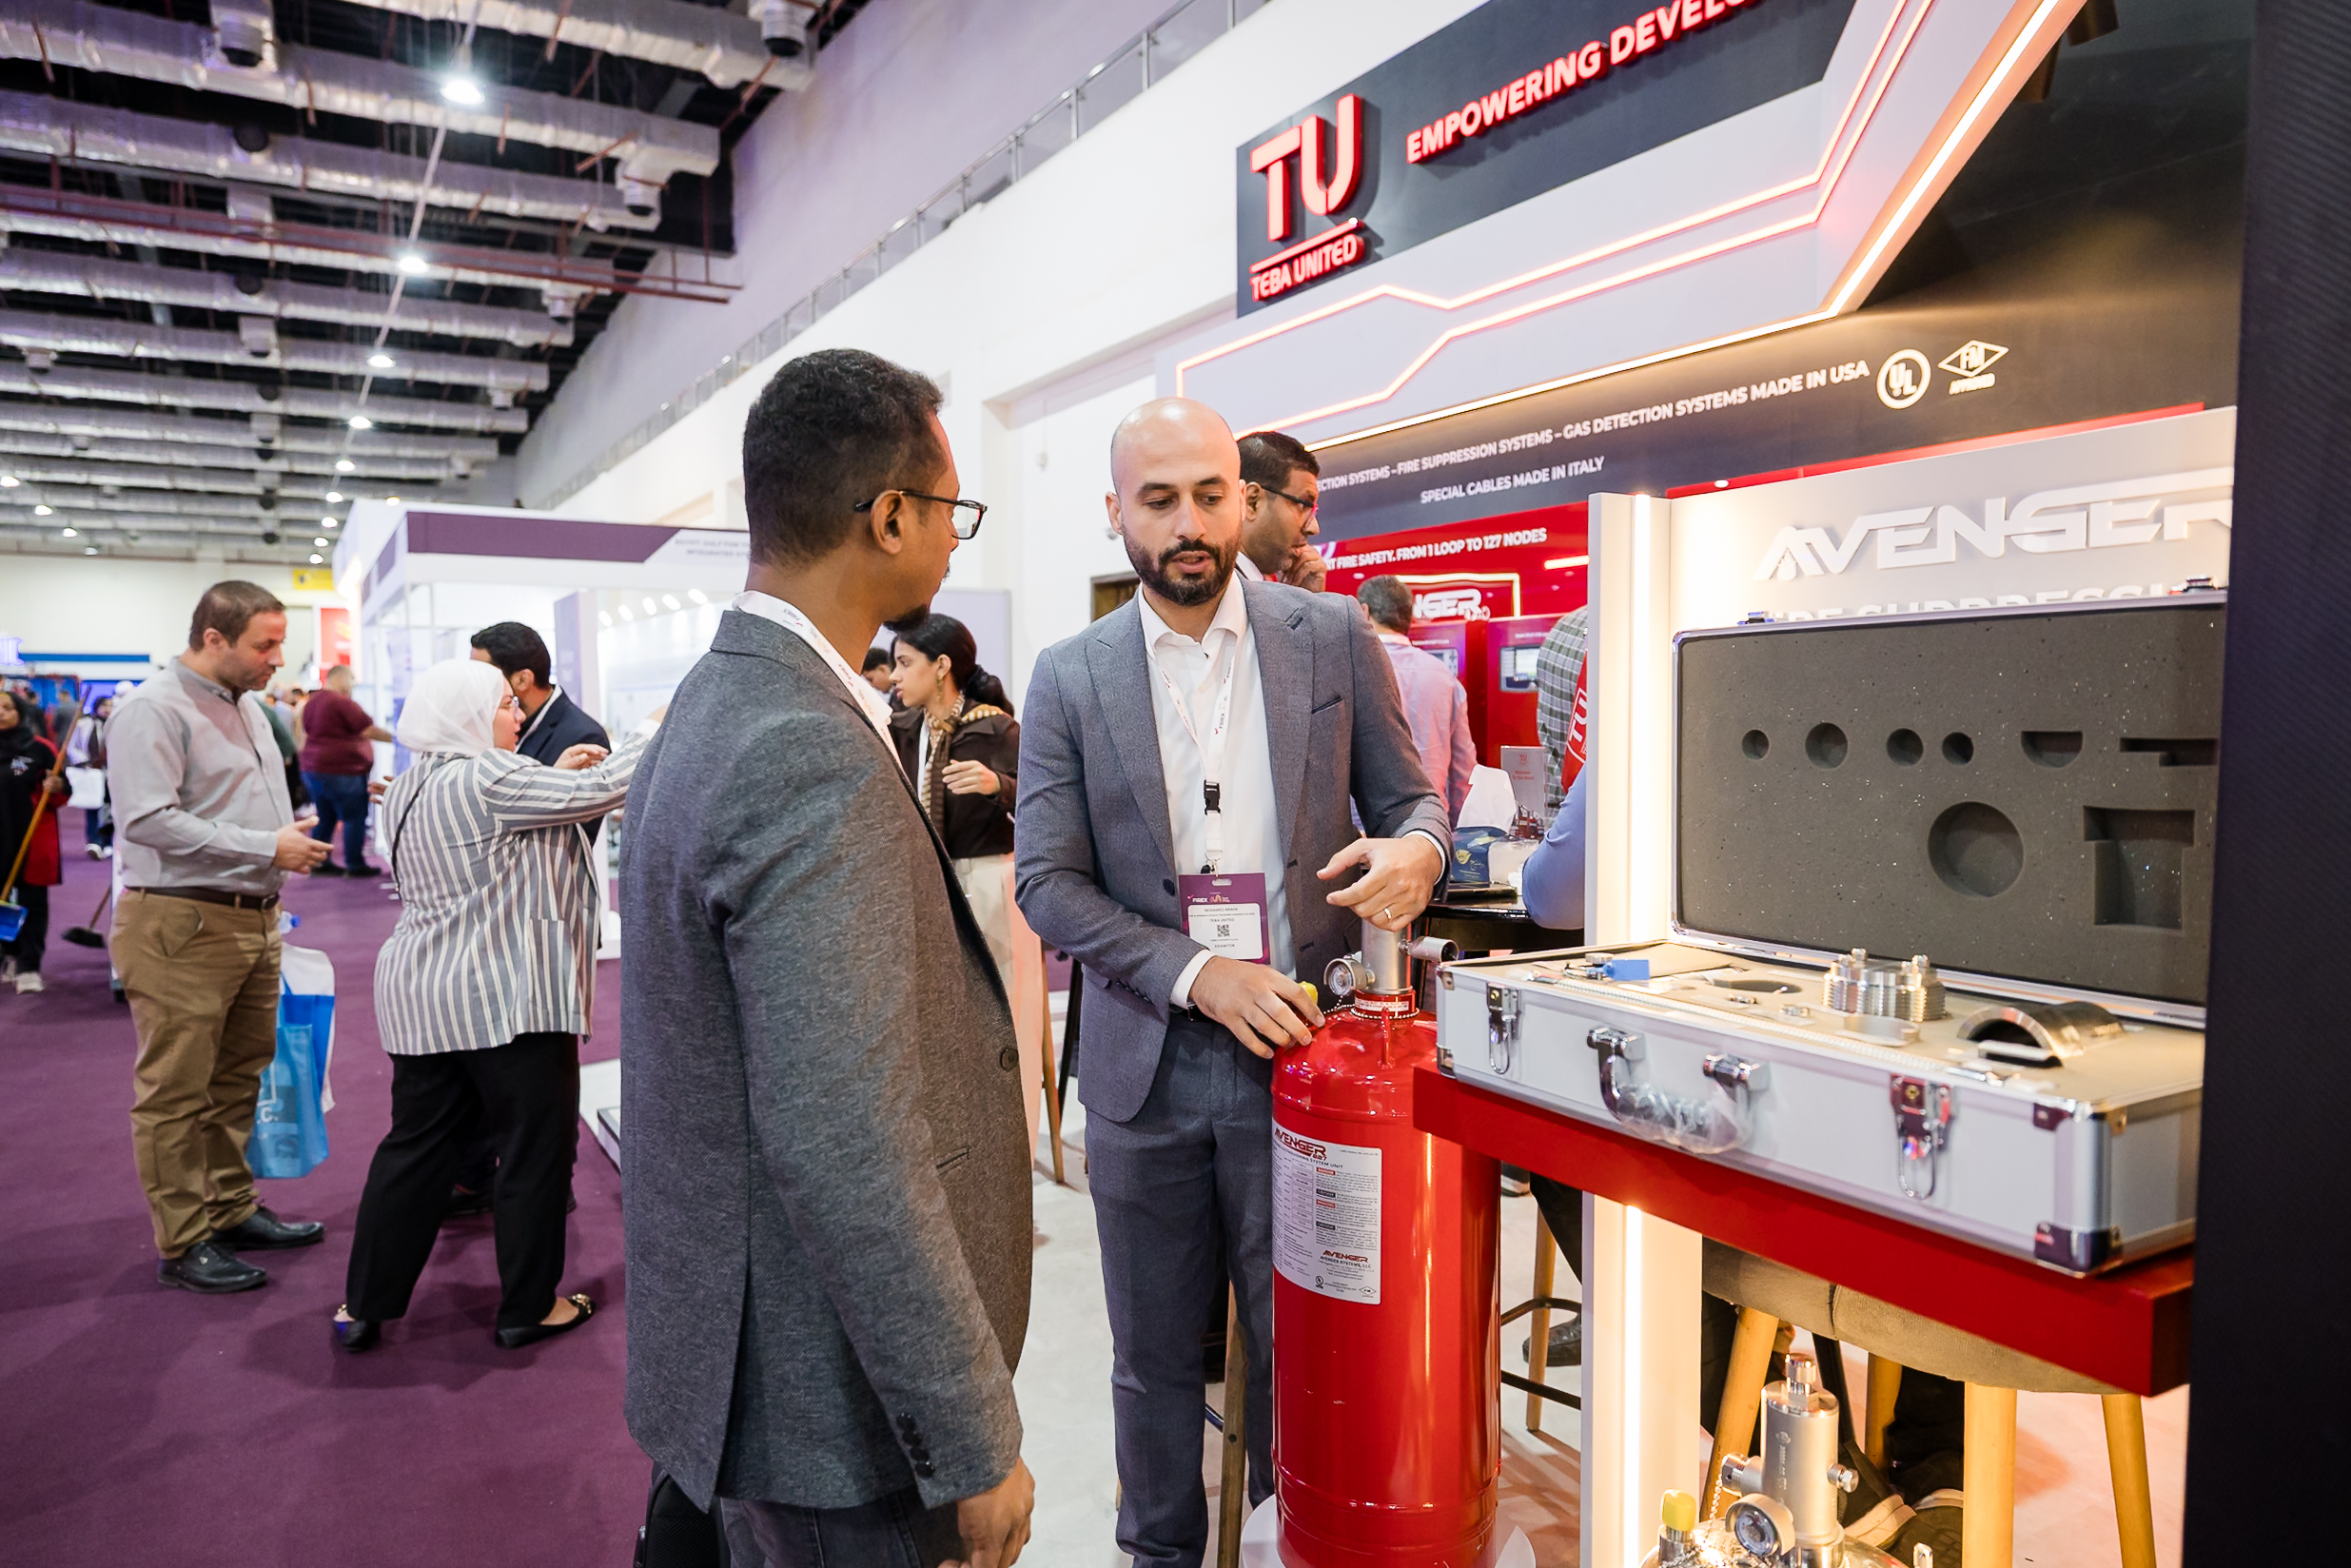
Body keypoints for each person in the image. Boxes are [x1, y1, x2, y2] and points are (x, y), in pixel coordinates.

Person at [1014, 397, 1450, 1567]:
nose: (1189, 524)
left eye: (1210, 495)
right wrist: (1199, 973)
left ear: (1242, 498)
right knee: (1152, 1360)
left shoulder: (1328, 635)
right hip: (1143, 1066)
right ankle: (1155, 1552)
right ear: (1114, 511)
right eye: (1158, 501)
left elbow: (1410, 801)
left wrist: (1419, 851)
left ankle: (1282, 1541)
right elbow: (1047, 883)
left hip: (1301, 1060)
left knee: (1298, 1346)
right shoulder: (1069, 675)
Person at [621, 347, 1034, 1568]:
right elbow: (843, 1137)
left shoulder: (722, 701)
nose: (953, 538)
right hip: (833, 1410)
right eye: (950, 508)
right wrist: (968, 1434)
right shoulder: (801, 743)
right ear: (889, 515)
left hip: (756, 1357)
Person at [332, 658, 646, 1353]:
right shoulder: (489, 776)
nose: (518, 715)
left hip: (423, 998)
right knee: (533, 1152)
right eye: (505, 705)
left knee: (414, 1150)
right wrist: (655, 729)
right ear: (469, 715)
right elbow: (604, 787)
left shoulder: (409, 785)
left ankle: (365, 1302)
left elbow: (496, 836)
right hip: (509, 998)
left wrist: (553, 774)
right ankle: (529, 1307)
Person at [107, 581, 331, 1294]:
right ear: (213, 638)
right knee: (175, 1090)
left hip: (251, 917)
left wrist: (278, 844)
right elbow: (145, 820)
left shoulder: (249, 706)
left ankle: (229, 1208)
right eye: (265, 644)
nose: (278, 658)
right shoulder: (152, 708)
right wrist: (266, 845)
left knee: (238, 1076)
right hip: (182, 921)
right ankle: (183, 1240)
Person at [889, 613, 1048, 1146]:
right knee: (936, 1020)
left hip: (991, 885)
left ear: (941, 667)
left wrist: (998, 784)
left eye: (904, 663)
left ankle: (1011, 1146)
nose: (894, 675)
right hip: (927, 885)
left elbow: (1049, 805)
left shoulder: (996, 728)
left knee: (1005, 1018)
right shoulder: (902, 729)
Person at [1354, 575, 1477, 826]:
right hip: (1429, 824)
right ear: (1409, 617)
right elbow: (1464, 767)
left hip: (1364, 829)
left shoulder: (1352, 669)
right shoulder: (1444, 675)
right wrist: (1454, 830)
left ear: (1364, 612)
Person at [469, 622, 612, 767]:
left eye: (485, 676)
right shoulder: (482, 724)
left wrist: (555, 776)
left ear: (522, 680)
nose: (475, 684)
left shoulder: (584, 738)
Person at [0, 688, 67, 993]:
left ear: (21, 712)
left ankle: (29, 965)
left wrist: (56, 786)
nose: (1, 713)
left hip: (29, 838)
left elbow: (62, 793)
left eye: (7, 707)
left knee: (32, 903)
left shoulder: (39, 749)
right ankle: (7, 954)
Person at [297, 664, 392, 877]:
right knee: (354, 816)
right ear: (341, 678)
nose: (353, 685)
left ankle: (319, 862)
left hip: (314, 767)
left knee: (325, 816)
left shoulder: (313, 702)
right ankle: (354, 864)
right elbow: (367, 729)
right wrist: (399, 740)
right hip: (342, 769)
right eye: (351, 680)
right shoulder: (341, 702)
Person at [1235, 428, 1326, 591]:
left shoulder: (1259, 591)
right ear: (1252, 501)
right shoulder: (1211, 592)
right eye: (1303, 505)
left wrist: (1304, 599)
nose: (1314, 528)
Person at [67, 694, 114, 857]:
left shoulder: (116, 724)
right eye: (104, 706)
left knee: (110, 809)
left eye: (110, 706)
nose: (107, 709)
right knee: (93, 807)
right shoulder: (84, 723)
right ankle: (94, 842)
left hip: (111, 773)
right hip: (92, 772)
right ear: (97, 707)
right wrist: (83, 761)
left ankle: (108, 842)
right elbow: (72, 746)